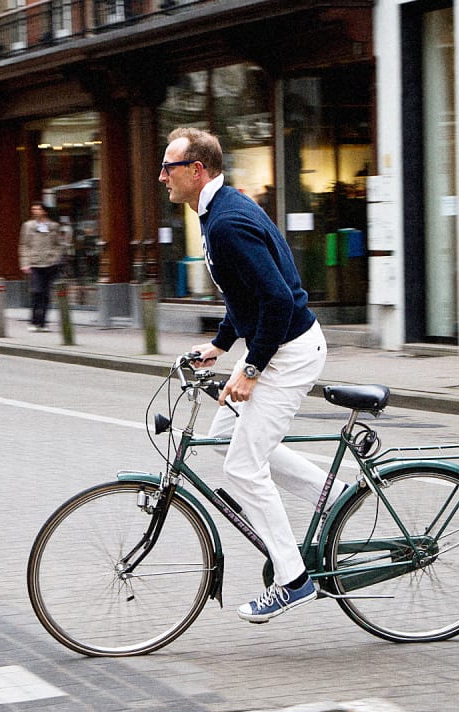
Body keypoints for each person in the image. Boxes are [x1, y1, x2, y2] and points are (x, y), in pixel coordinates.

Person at [162, 127, 329, 623]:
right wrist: (219, 345)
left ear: (197, 170)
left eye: (169, 167)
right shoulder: (217, 212)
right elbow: (245, 295)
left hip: (289, 351)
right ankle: (336, 497)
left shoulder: (227, 222)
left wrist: (251, 369)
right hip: (273, 346)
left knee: (240, 467)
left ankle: (293, 579)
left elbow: (277, 299)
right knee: (230, 437)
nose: (162, 176)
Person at [18, 204, 70, 332]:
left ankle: (43, 323)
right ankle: (34, 321)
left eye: (38, 209)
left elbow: (60, 244)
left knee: (46, 294)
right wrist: (25, 263)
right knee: (36, 291)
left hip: (50, 263)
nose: (35, 211)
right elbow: (24, 245)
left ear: (44, 211)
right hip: (35, 263)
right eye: (33, 209)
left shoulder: (53, 226)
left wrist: (56, 258)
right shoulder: (28, 226)